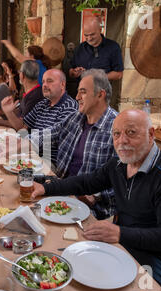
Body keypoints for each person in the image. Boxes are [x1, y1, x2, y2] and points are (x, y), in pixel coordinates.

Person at [31, 109, 161, 290]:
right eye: (116, 134)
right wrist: (46, 188)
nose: (122, 141)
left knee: (91, 280)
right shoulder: (119, 164)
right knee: (66, 259)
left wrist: (120, 233)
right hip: (127, 244)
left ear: (151, 134)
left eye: (131, 132)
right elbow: (86, 182)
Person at [28, 69, 117, 219]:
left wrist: (95, 196)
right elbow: (46, 135)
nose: (77, 97)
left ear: (100, 95)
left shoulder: (117, 128)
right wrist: (17, 143)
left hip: (91, 208)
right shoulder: (76, 118)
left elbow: (125, 178)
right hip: (62, 189)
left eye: (83, 92)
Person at [20, 69, 78, 164]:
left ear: (62, 85)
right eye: (43, 82)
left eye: (50, 81)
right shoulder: (42, 104)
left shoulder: (69, 107)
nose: (45, 85)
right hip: (32, 156)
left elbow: (51, 137)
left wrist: (21, 144)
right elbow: (24, 126)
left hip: (49, 164)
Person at [0, 60, 44, 129]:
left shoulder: (35, 96)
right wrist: (2, 112)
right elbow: (20, 111)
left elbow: (22, 126)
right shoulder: (33, 92)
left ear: (22, 75)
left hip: (28, 137)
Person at [69, 18, 123, 83]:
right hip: (82, 91)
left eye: (92, 34)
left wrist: (97, 77)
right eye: (86, 35)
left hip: (103, 91)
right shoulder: (79, 48)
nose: (89, 38)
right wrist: (75, 73)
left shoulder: (113, 47)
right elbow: (71, 71)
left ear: (100, 30)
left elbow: (119, 74)